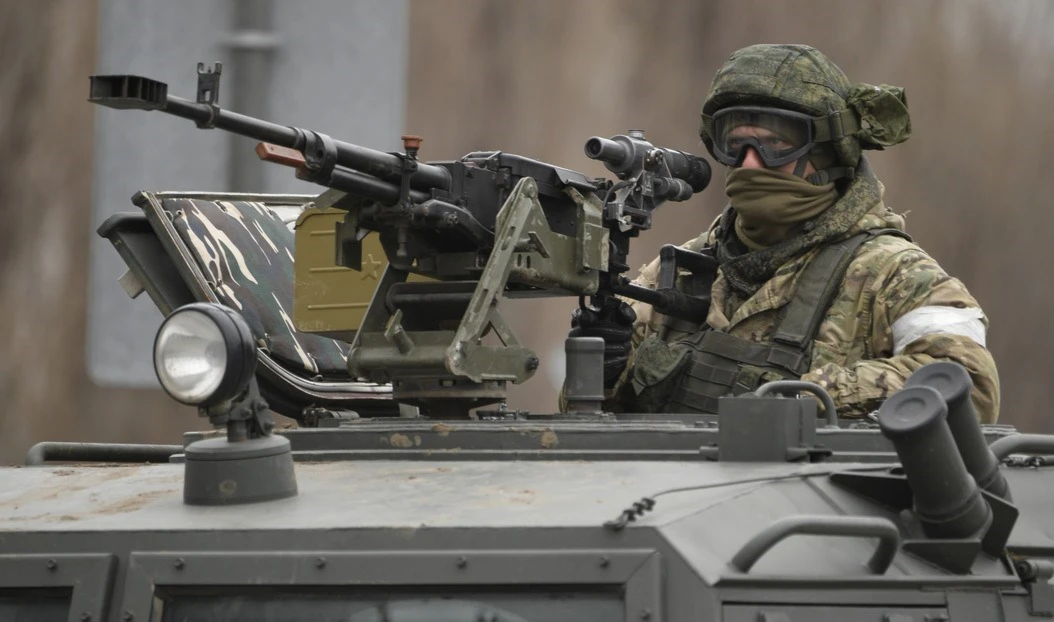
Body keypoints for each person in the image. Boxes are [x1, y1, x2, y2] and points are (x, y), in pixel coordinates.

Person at [568, 43, 999, 422]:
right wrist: (602, 369)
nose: (750, 163)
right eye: (735, 144)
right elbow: (588, 421)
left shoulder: (895, 276)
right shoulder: (676, 272)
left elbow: (969, 386)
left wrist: (804, 399)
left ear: (829, 151)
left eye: (776, 144)